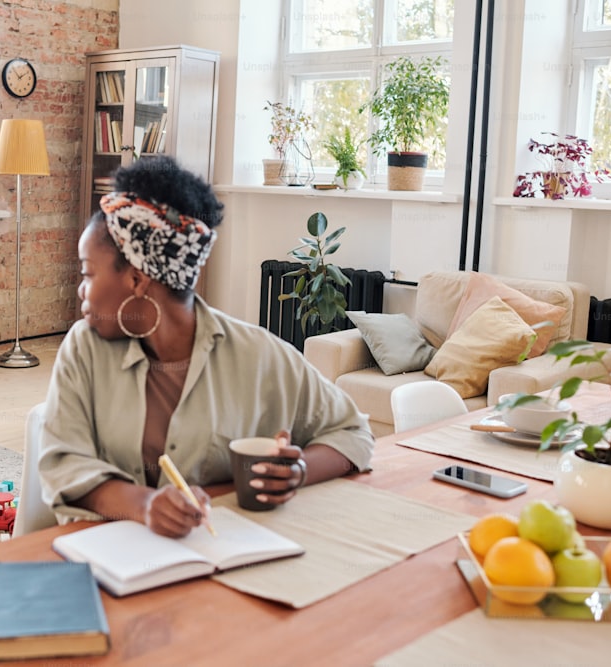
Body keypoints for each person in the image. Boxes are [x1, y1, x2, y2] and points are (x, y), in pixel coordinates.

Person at [38, 155, 374, 537]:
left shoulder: (258, 355)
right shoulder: (83, 349)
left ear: (137, 279)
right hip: (105, 555)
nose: (81, 290)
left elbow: (353, 433)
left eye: (87, 273)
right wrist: (145, 506)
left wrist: (297, 472)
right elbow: (63, 463)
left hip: (220, 557)